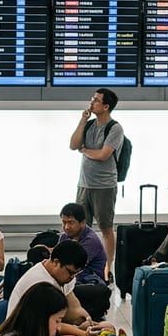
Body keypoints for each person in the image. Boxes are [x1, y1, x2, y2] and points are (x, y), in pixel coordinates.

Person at [4, 240, 113, 336]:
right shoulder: (40, 283)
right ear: (56, 262)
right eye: (70, 273)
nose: (72, 277)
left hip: (50, 327)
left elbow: (74, 308)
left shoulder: (63, 276)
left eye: (75, 274)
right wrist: (81, 333)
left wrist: (88, 321)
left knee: (108, 327)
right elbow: (45, 324)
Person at [69, 88, 123, 278]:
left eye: (96, 100)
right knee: (81, 227)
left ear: (106, 106)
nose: (92, 103)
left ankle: (106, 269)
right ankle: (79, 266)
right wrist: (83, 120)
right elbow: (73, 145)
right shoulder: (90, 125)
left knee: (106, 227)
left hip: (104, 186)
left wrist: (85, 151)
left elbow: (103, 155)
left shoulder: (115, 128)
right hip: (84, 184)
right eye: (92, 99)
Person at [56, 202, 112, 321]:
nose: (66, 227)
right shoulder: (64, 237)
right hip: (73, 278)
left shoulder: (91, 241)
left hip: (90, 281)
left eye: (71, 222)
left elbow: (73, 266)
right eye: (64, 222)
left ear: (82, 223)